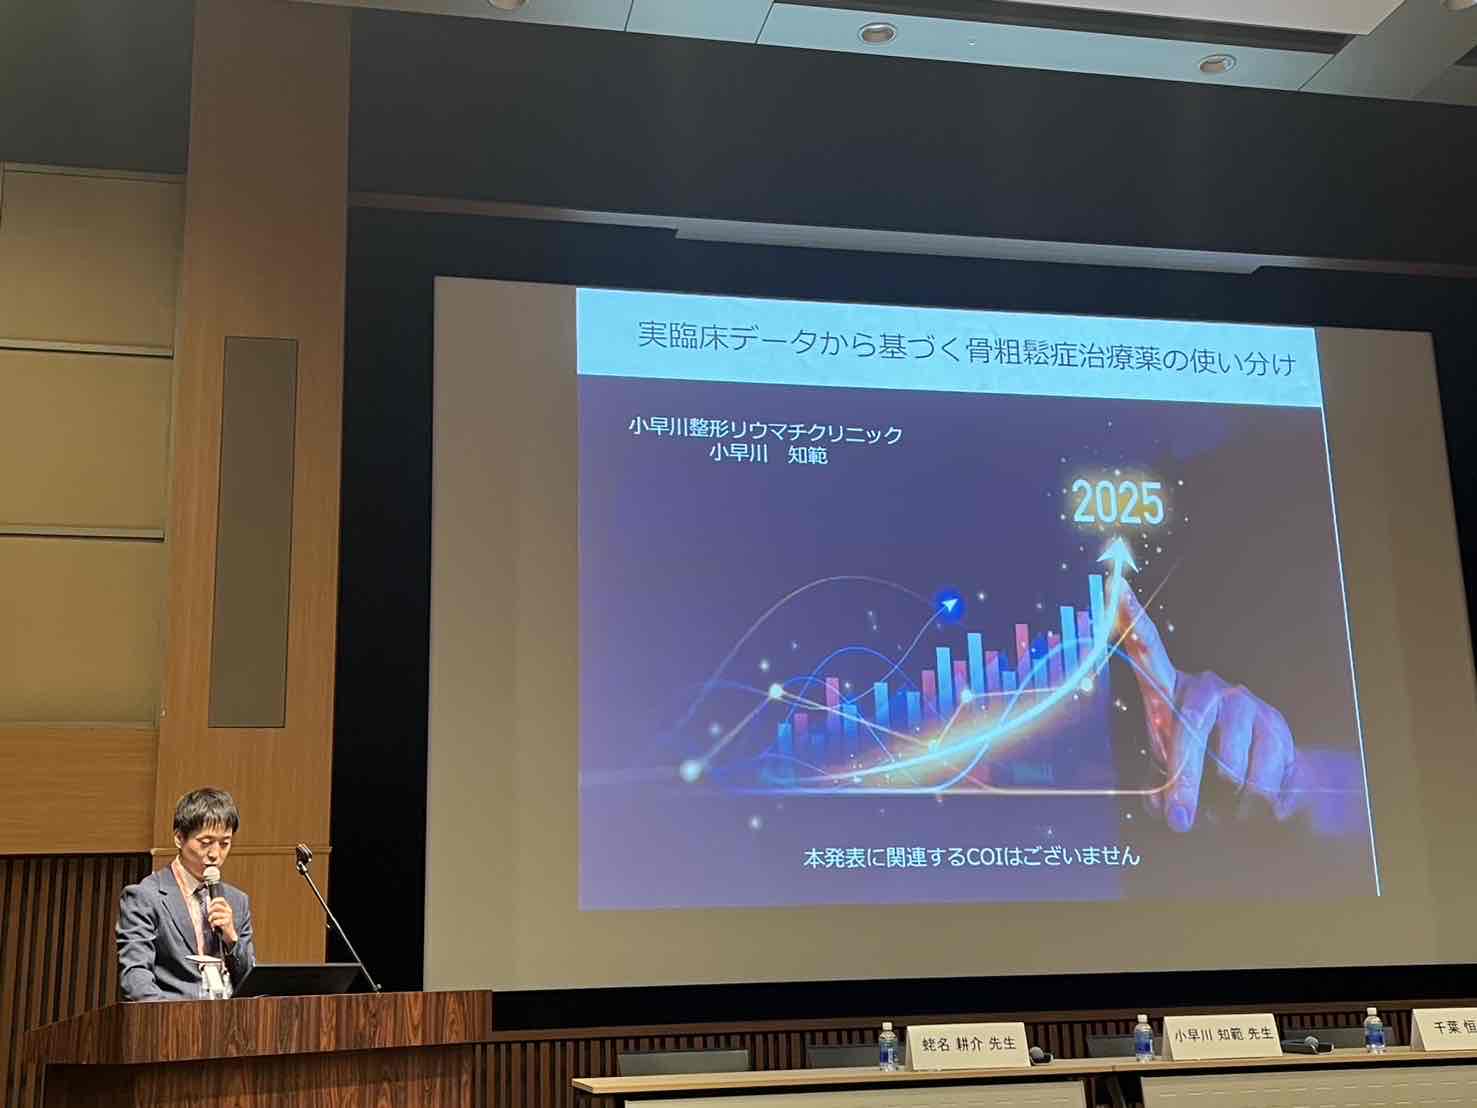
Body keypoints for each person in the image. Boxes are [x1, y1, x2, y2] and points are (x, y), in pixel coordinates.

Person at [117, 787, 255, 1000]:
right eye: (205, 843)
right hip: (173, 1015)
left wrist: (232, 939)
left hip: (230, 1017)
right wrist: (171, 1018)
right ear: (179, 838)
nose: (215, 854)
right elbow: (136, 979)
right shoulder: (145, 897)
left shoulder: (237, 901)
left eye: (224, 844)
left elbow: (251, 983)